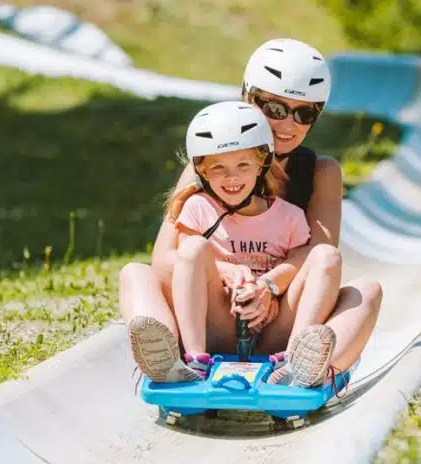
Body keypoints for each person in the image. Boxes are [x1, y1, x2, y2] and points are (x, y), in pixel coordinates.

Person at [119, 38, 383, 388]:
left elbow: (319, 253)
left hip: (280, 323)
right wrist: (228, 273)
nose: (287, 124)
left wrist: (269, 287)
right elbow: (165, 261)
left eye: (305, 113)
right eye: (275, 109)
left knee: (366, 292)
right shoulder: (207, 164)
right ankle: (167, 359)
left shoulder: (320, 172)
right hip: (215, 314)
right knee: (135, 273)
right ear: (248, 98)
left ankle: (305, 365)